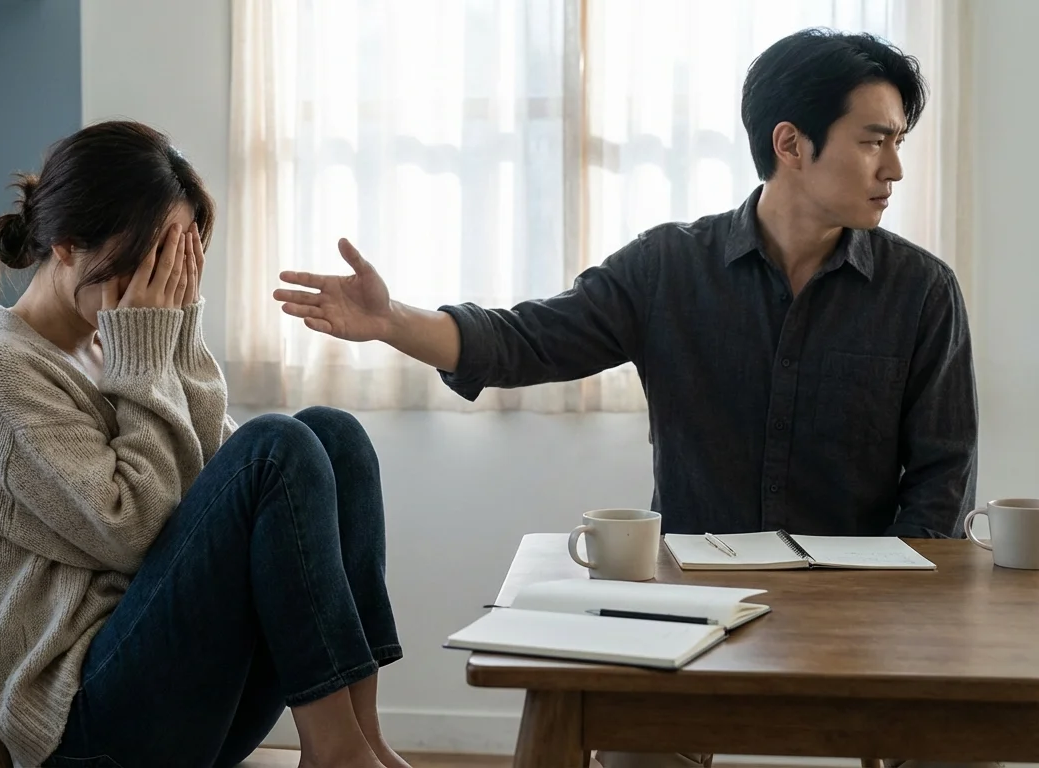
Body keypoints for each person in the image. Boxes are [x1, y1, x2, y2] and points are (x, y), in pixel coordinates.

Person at [275, 28, 981, 768]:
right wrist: (392, 322)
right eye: (875, 141)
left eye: (898, 142)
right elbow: (525, 341)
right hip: (690, 609)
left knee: (961, 750)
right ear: (791, 143)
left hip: (866, 615)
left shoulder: (923, 292)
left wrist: (903, 626)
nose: (895, 168)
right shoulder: (670, 267)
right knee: (616, 746)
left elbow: (940, 482)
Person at [0, 121, 409, 768]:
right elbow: (133, 534)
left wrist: (178, 340)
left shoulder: (123, 344)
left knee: (333, 437)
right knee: (276, 447)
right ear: (69, 246)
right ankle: (335, 755)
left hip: (186, 694)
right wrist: (148, 356)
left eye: (174, 261)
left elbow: (213, 489)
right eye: (144, 260)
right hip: (84, 724)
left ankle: (361, 738)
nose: (156, 287)